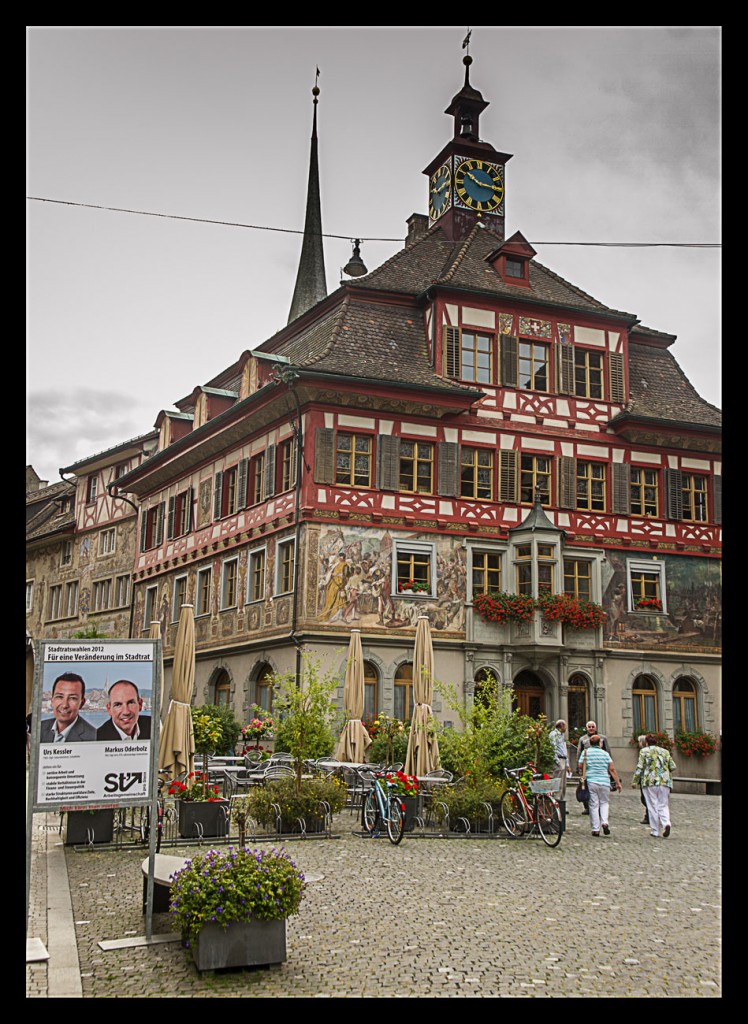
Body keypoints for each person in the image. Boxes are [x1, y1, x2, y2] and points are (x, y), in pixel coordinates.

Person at [632, 732, 677, 838]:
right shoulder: (665, 751)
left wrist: (635, 781)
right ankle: (666, 823)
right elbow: (673, 766)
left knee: (652, 805)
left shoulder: (644, 751)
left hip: (649, 781)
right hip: (664, 781)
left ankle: (655, 830)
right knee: (663, 804)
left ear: (646, 743)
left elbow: (640, 767)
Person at [577, 733, 622, 836]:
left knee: (593, 805)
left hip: (591, 781)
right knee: (604, 803)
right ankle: (605, 822)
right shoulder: (605, 754)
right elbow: (612, 769)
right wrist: (618, 783)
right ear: (600, 743)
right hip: (604, 781)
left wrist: (586, 768)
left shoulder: (585, 753)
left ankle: (595, 828)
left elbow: (580, 765)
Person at [39, 673, 97, 742]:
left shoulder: (93, 737)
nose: (64, 705)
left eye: (72, 698)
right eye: (59, 697)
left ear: (82, 703)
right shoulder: (38, 728)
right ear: (52, 700)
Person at [576, 720, 609, 814]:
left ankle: (597, 806)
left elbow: (607, 751)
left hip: (600, 765)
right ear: (586, 728)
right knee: (584, 786)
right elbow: (579, 752)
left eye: (592, 727)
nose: (591, 728)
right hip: (587, 765)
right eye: (589, 727)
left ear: (595, 728)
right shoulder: (583, 739)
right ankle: (587, 806)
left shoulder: (603, 738)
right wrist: (578, 768)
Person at [548, 719, 570, 801]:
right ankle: (556, 800)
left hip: (563, 759)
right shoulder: (554, 734)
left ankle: (561, 800)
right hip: (559, 759)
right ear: (561, 726)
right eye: (565, 726)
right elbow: (553, 748)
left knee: (563, 783)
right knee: (557, 781)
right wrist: (557, 761)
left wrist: (567, 764)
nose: (566, 728)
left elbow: (563, 748)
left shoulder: (561, 735)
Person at [636, 734, 650, 824]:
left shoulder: (643, 752)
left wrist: (635, 779)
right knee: (646, 798)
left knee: (646, 798)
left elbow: (640, 767)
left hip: (645, 778)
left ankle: (649, 816)